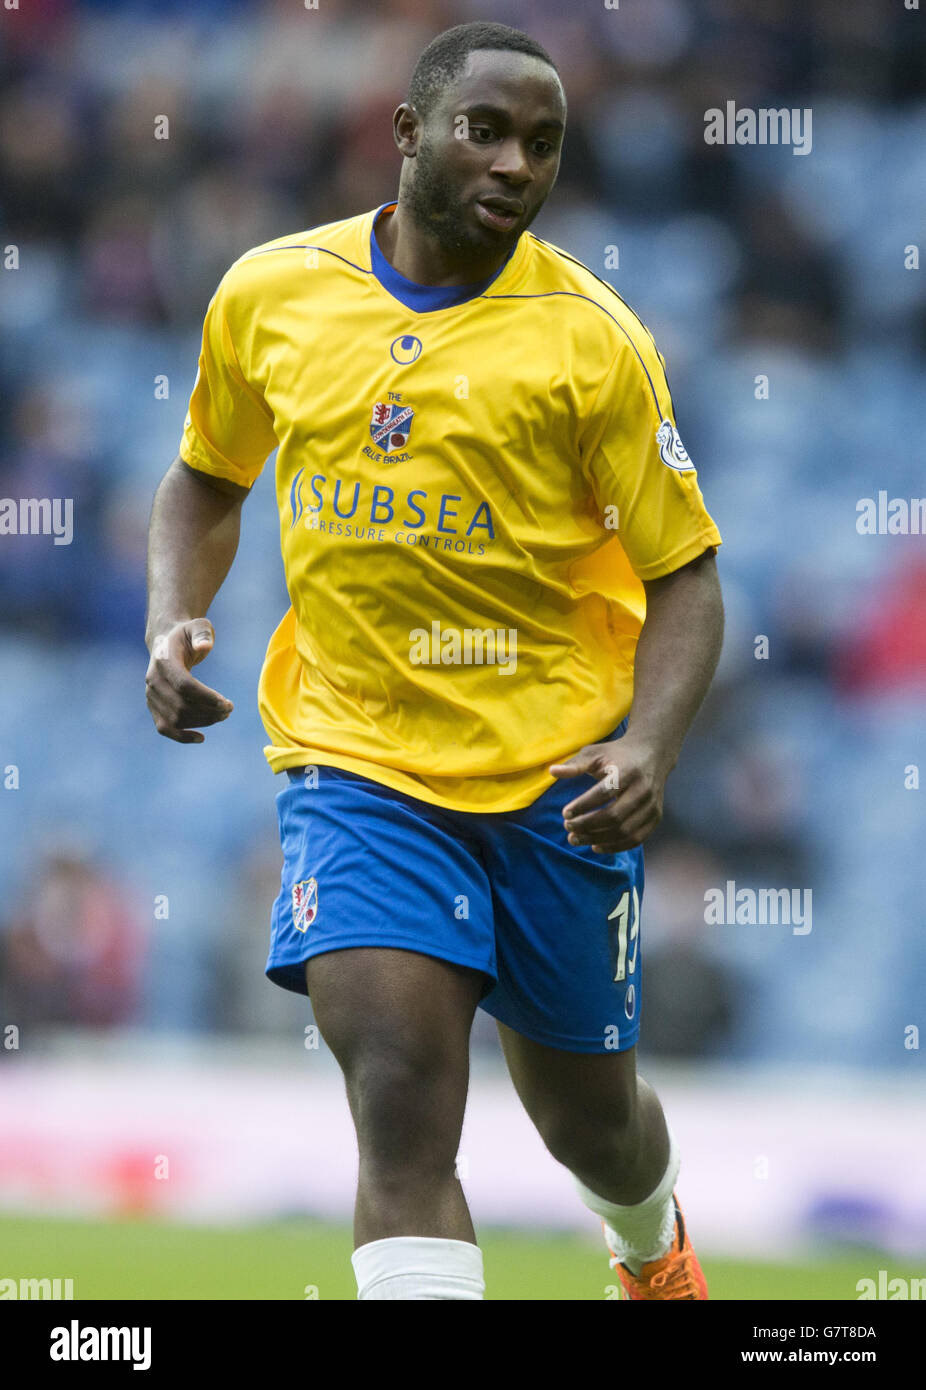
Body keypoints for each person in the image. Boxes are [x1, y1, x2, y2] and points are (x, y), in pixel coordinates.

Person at [145, 21, 724, 1301]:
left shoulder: (594, 343)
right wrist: (167, 618)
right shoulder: (270, 293)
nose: (516, 164)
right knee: (400, 1092)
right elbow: (201, 482)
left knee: (591, 1121)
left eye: (543, 145)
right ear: (405, 133)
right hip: (356, 763)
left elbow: (686, 574)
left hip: (551, 779)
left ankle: (651, 1249)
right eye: (486, 130)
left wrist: (649, 745)